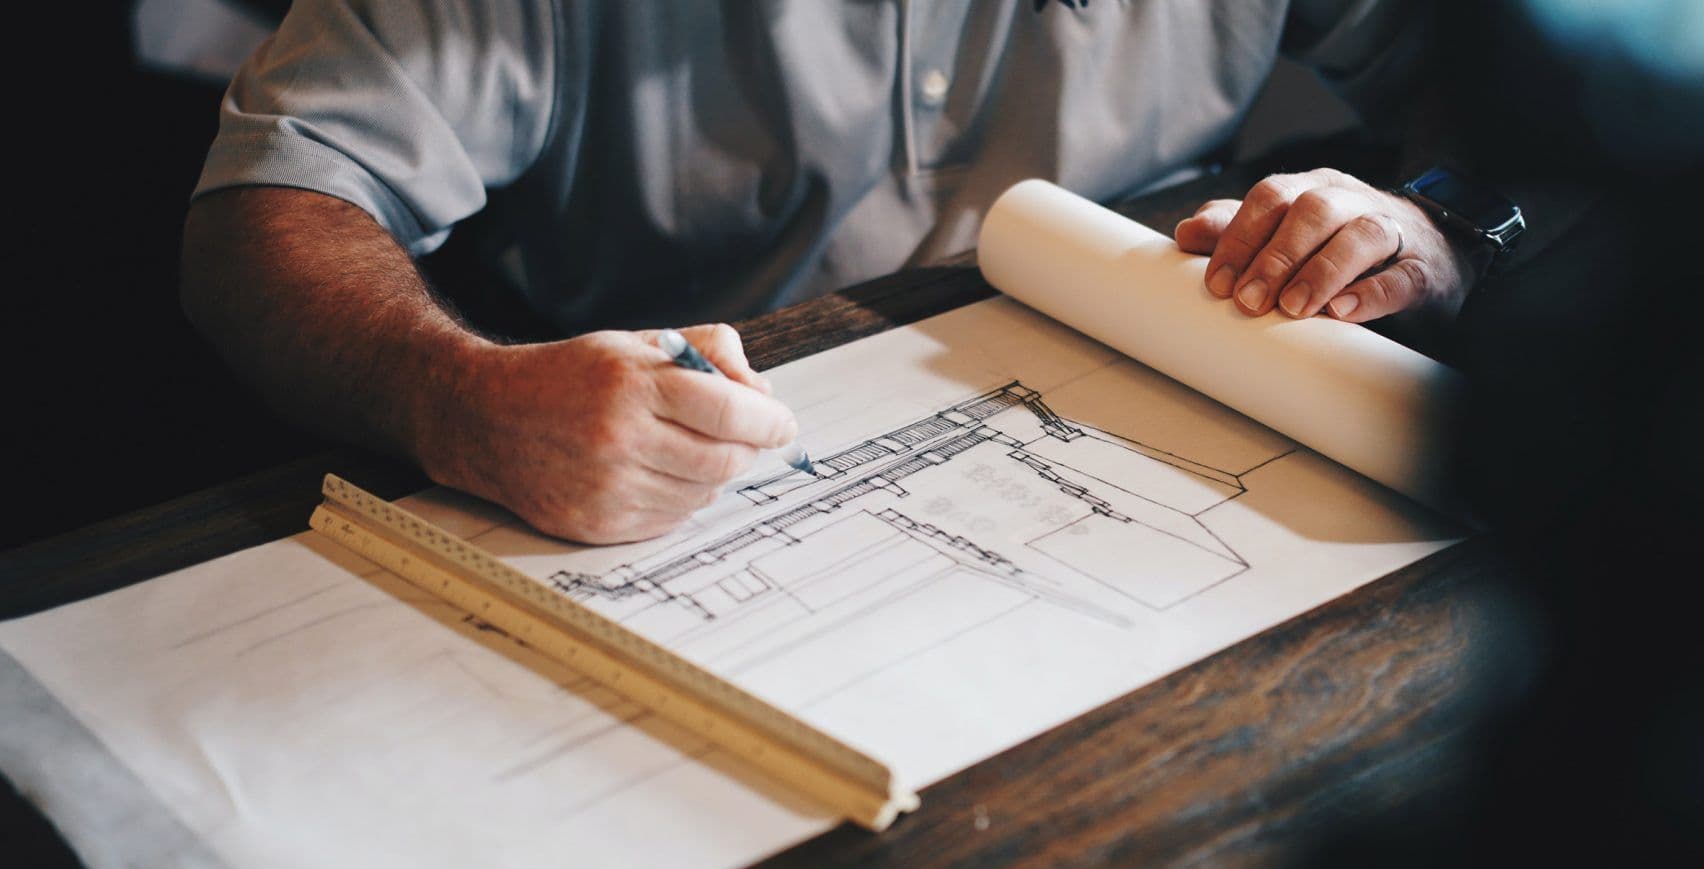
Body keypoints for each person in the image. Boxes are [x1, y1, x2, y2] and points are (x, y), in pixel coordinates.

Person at [182, 0, 1479, 543]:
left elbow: (1499, 86)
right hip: (663, 453)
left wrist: (1426, 228)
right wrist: (454, 397)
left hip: (1151, 411)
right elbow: (273, 207)